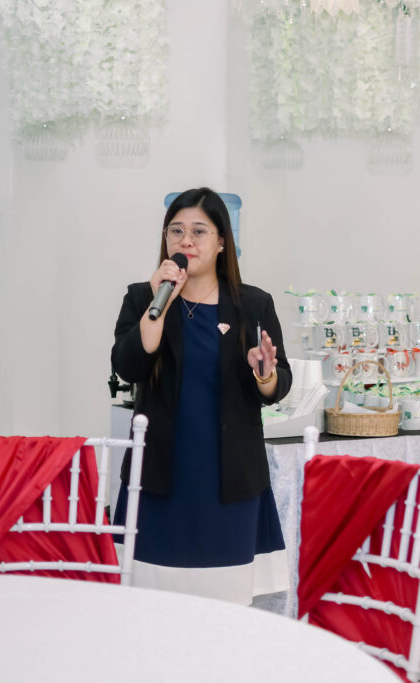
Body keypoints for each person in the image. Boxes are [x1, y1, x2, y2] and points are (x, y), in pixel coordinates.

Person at [111, 188, 291, 604]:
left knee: (227, 605)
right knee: (152, 602)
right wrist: (159, 303)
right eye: (176, 231)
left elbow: (277, 384)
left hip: (229, 480)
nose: (185, 241)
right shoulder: (142, 297)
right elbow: (128, 366)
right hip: (160, 476)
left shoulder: (252, 304)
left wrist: (264, 373)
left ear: (222, 241)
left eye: (198, 231)